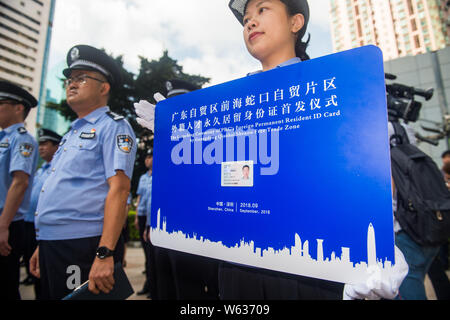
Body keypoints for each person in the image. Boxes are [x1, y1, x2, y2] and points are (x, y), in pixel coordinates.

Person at [135, 0, 407, 300]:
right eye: (246, 19)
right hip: (238, 261)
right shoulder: (229, 107)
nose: (250, 22)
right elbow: (219, 177)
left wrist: (382, 246)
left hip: (312, 269)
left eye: (262, 10)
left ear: (296, 22)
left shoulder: (338, 89)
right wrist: (176, 137)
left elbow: (367, 175)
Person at [29, 44, 137, 300]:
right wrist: (42, 243)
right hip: (52, 243)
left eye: (81, 78)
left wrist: (105, 252)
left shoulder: (113, 126)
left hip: (81, 244)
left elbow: (120, 190)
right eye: (70, 79)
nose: (71, 84)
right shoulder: (71, 133)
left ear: (103, 87)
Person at [0, 80, 39, 300]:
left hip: (8, 222)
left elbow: (19, 183)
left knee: (5, 285)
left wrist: (3, 225)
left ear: (18, 108)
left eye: (1, 103)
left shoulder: (22, 140)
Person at [21, 128, 62, 299]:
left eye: (45, 144)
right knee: (34, 269)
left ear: (56, 146)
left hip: (50, 228)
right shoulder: (40, 170)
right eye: (40, 144)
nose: (41, 147)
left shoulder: (59, 169)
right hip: (30, 224)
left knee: (49, 275)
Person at [135, 149, 154, 297]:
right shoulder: (143, 177)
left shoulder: (160, 175)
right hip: (142, 216)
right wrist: (136, 216)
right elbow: (140, 198)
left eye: (150, 157)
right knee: (146, 253)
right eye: (146, 157)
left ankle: (151, 284)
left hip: (152, 218)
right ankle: (148, 282)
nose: (148, 160)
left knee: (151, 253)